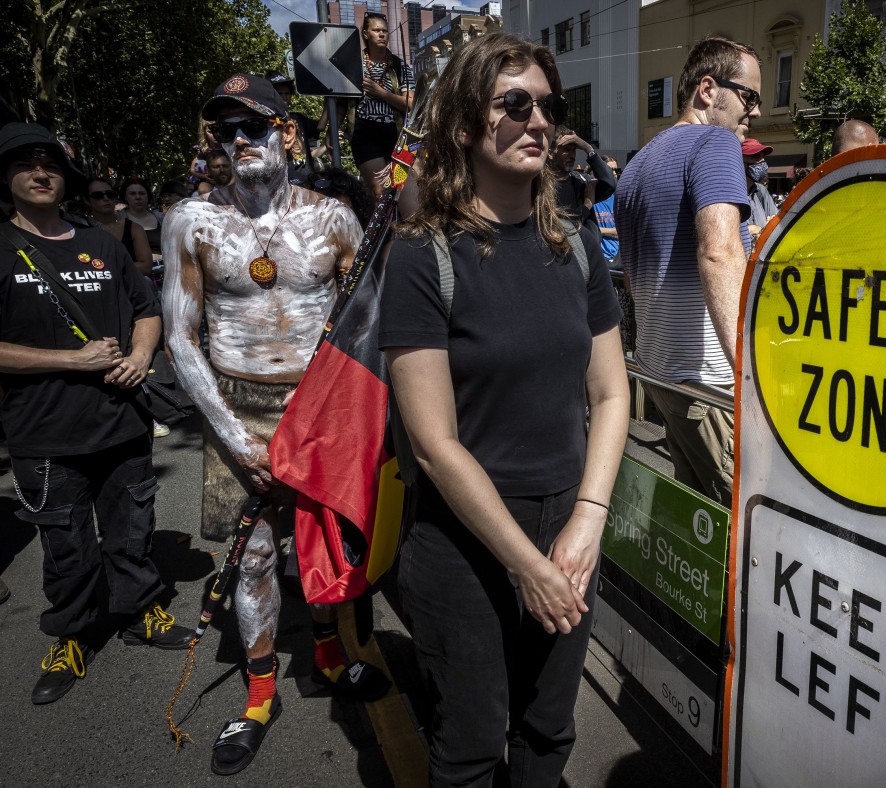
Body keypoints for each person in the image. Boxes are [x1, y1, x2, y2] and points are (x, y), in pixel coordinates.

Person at [379, 32, 629, 786]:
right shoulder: (425, 256)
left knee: (549, 731)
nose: (538, 121)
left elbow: (612, 392)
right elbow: (432, 446)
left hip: (569, 530)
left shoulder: (577, 244)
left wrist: (587, 519)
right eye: (514, 103)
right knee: (472, 746)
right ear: (464, 125)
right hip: (465, 544)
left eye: (548, 106)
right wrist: (525, 565)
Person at [162, 73, 382, 776]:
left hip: (319, 407)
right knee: (256, 555)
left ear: (286, 133)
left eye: (252, 127)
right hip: (238, 404)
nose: (238, 142)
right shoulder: (191, 221)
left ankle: (324, 651)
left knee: (320, 546)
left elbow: (366, 321)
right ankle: (260, 694)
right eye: (226, 132)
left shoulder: (335, 220)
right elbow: (179, 336)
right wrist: (234, 437)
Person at [0, 122, 194, 706]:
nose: (40, 173)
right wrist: (72, 359)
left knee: (132, 527)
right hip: (44, 433)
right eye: (26, 164)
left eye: (50, 164)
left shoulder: (102, 243)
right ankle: (73, 634)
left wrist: (140, 354)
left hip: (121, 422)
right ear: (6, 177)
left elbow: (146, 308)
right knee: (66, 545)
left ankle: (141, 611)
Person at [615, 35, 761, 505]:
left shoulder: (635, 168)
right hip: (711, 386)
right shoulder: (715, 143)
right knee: (743, 528)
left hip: (662, 378)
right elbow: (718, 253)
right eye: (749, 96)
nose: (754, 112)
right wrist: (751, 376)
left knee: (698, 532)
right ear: (707, 89)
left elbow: (635, 283)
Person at [352, 12, 414, 196]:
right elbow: (340, 101)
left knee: (399, 186)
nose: (381, 34)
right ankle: (381, 225)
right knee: (379, 190)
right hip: (364, 132)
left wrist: (382, 94)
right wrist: (330, 133)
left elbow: (411, 103)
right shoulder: (354, 64)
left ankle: (398, 224)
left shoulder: (400, 66)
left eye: (385, 31)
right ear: (365, 34)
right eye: (376, 30)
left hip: (395, 134)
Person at [550, 126, 616, 234]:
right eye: (566, 150)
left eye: (574, 150)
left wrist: (588, 148)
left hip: (589, 249)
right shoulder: (543, 187)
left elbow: (610, 184)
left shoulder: (581, 181)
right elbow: (563, 225)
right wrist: (586, 206)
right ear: (551, 153)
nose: (572, 155)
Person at [85, 177, 152, 275]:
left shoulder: (134, 228)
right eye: (98, 195)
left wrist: (103, 267)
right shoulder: (81, 229)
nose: (106, 198)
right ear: (86, 200)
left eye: (110, 194)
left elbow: (146, 267)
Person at [741, 137, 777, 236]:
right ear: (738, 161)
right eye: (755, 156)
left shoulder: (761, 190)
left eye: (763, 156)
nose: (762, 161)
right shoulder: (728, 193)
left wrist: (758, 230)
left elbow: (776, 224)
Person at [121, 177, 163, 257]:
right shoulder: (117, 220)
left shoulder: (161, 218)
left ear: (148, 196)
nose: (138, 197)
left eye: (142, 193)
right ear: (125, 196)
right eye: (132, 194)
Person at [592, 155, 620, 262]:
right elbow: (589, 229)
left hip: (617, 257)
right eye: (610, 170)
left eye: (615, 170)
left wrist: (600, 230)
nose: (613, 173)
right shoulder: (591, 197)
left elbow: (621, 230)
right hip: (599, 258)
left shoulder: (618, 198)